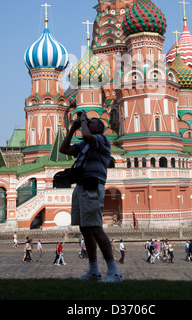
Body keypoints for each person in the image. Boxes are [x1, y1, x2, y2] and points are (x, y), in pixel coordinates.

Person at [60, 110, 122, 282]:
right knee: (85, 228)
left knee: (95, 227)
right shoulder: (84, 145)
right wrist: (73, 129)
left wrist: (83, 121)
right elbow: (63, 148)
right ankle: (93, 271)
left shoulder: (101, 140)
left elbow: (87, 136)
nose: (87, 123)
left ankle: (113, 272)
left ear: (99, 128)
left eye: (91, 122)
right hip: (81, 187)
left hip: (93, 187)